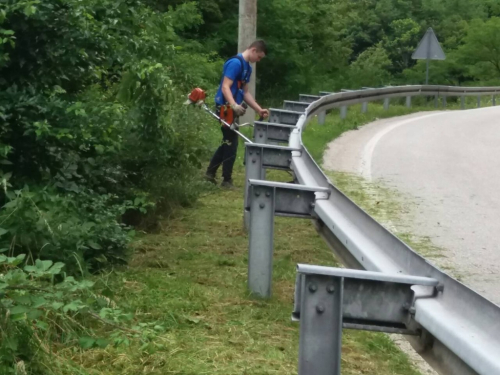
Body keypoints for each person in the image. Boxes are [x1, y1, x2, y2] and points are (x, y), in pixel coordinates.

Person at [205, 40, 270, 188]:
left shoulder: (247, 68)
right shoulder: (235, 63)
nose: (258, 61)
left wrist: (258, 109)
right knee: (231, 142)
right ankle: (226, 180)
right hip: (224, 107)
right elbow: (225, 87)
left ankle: (211, 173)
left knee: (228, 140)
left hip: (233, 109)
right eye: (259, 57)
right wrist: (233, 105)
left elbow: (245, 92)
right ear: (253, 50)